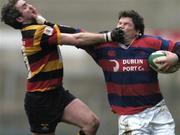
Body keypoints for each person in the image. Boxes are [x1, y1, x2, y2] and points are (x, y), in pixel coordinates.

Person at [0, 0, 125, 135]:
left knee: (91, 123)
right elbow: (76, 39)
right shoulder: (36, 32)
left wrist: (45, 22)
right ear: (19, 18)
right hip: (40, 100)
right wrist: (108, 37)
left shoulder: (39, 28)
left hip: (57, 93)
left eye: (27, 3)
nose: (29, 6)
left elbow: (68, 31)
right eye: (24, 7)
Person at [79, 10, 180, 134]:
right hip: (130, 117)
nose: (121, 26)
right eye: (119, 23)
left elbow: (177, 47)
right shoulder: (105, 45)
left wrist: (176, 57)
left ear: (137, 31)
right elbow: (79, 37)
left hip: (158, 111)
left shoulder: (150, 43)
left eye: (126, 24)